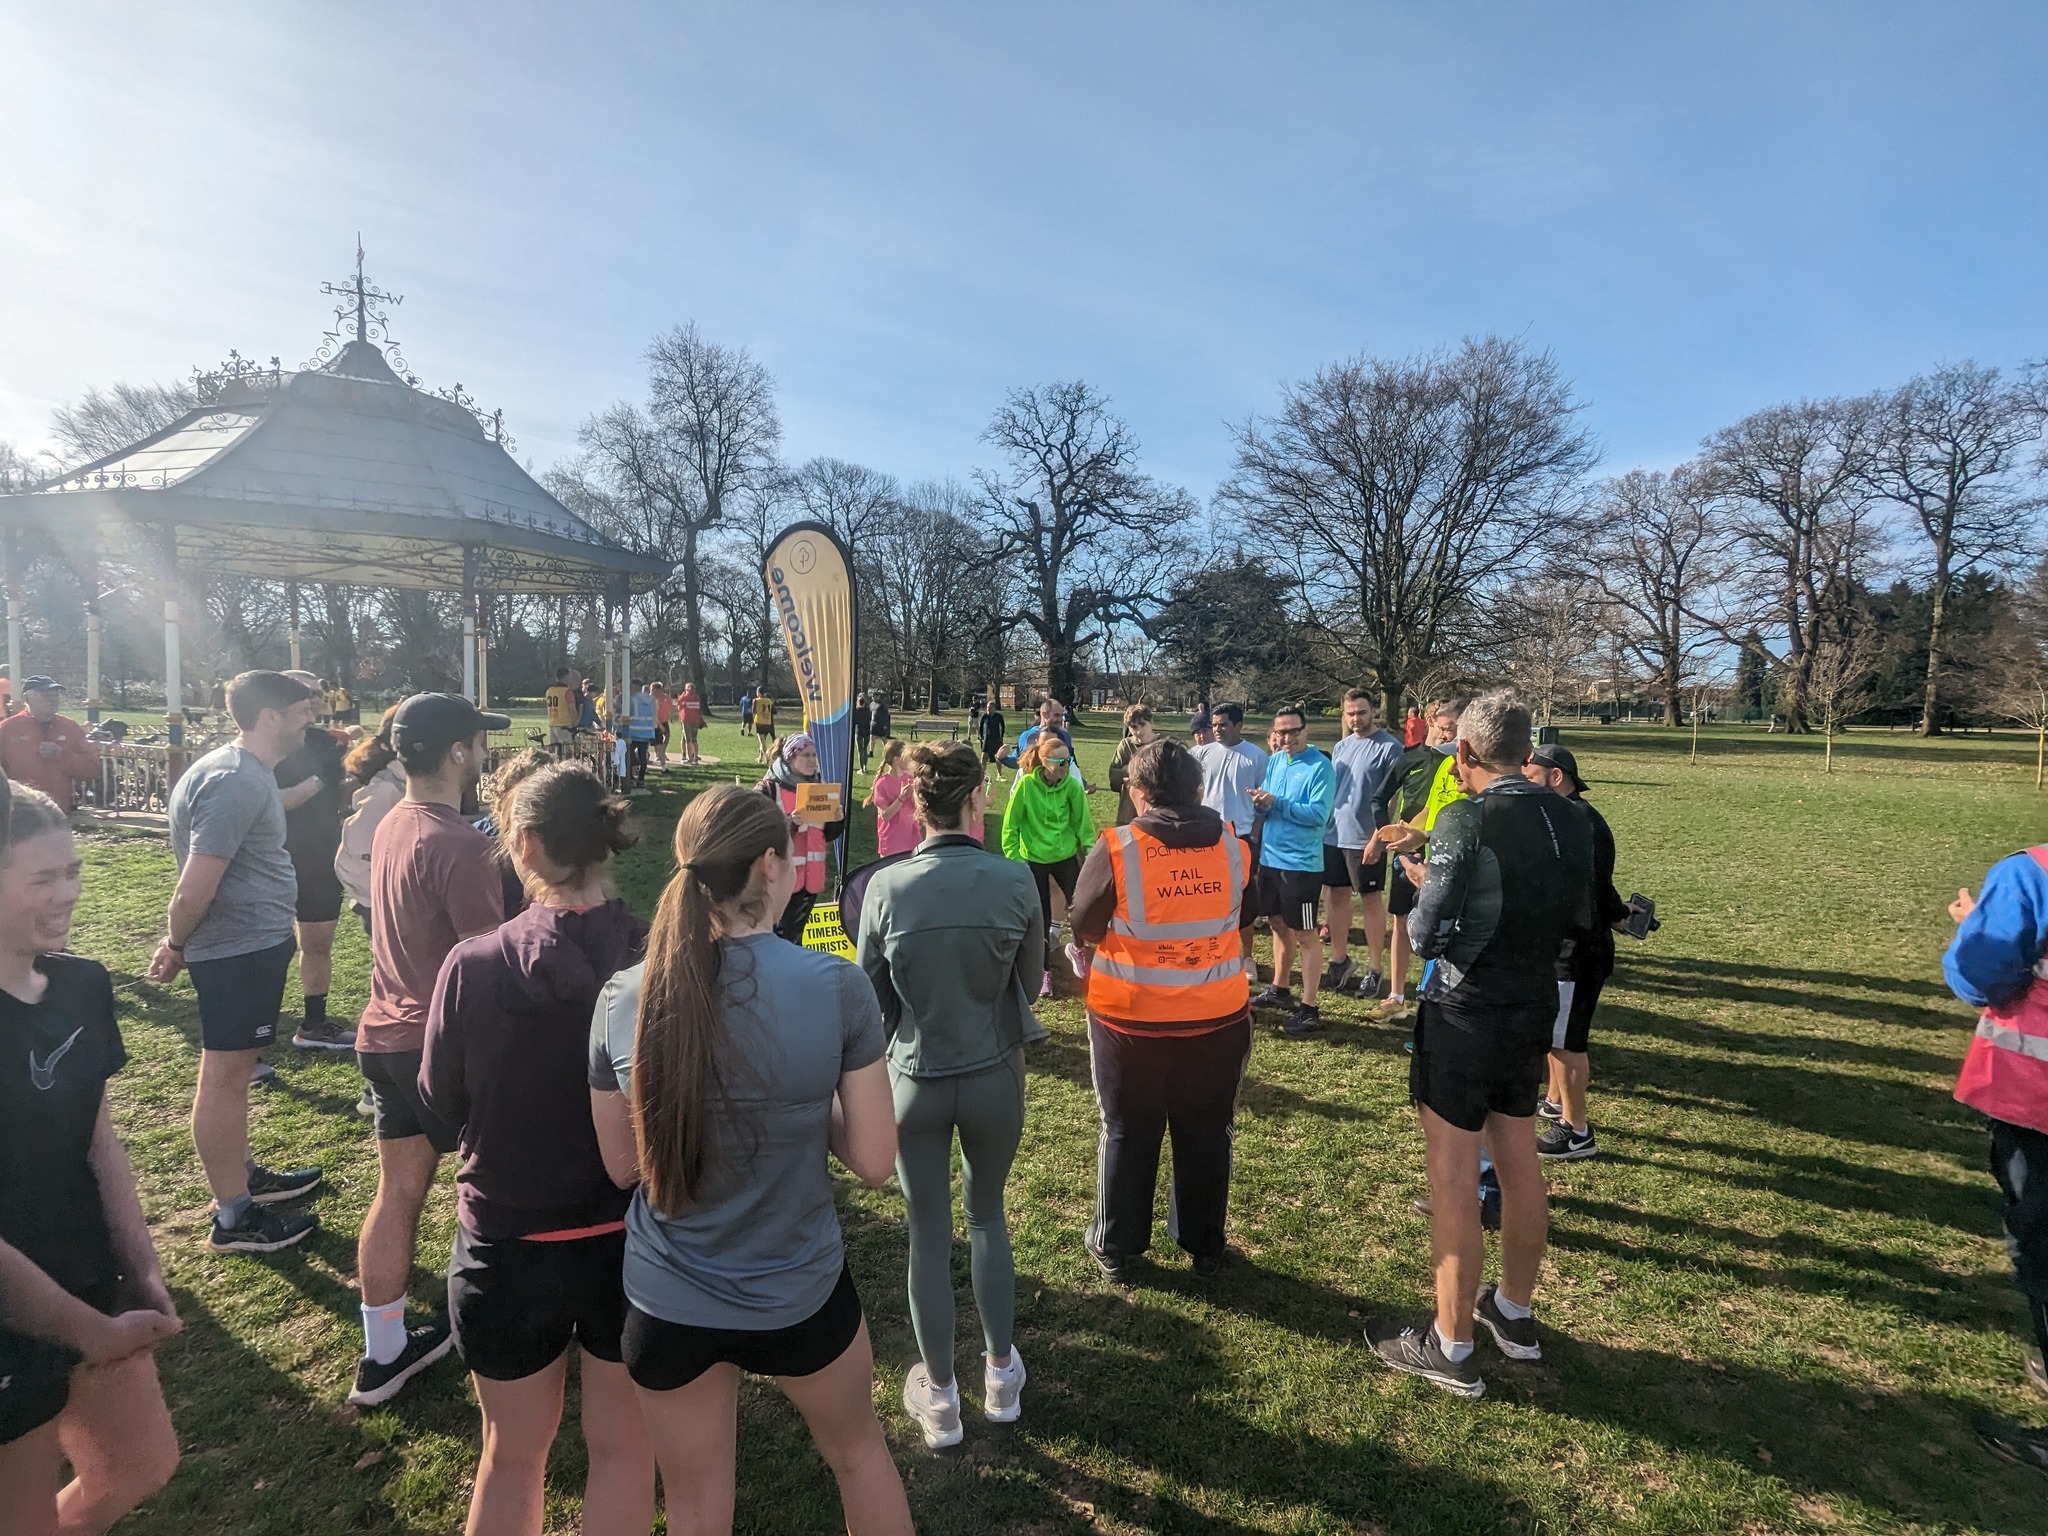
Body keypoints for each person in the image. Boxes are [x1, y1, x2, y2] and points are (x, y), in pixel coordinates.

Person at [586, 784, 912, 1534]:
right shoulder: (836, 986)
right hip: (800, 1293)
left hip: (669, 1302)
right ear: (771, 865)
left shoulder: (622, 997)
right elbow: (872, 1160)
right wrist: (809, 1095)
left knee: (696, 1506)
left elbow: (621, 1165)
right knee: (861, 1458)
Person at [420, 764, 654, 1536]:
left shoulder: (473, 966)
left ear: (522, 844)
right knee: (623, 1451)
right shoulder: (658, 960)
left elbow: (440, 1101)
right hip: (630, 1243)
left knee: (512, 1454)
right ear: (605, 840)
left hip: (509, 1249)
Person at [1368, 690, 1592, 1400]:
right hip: (1532, 1002)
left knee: (1454, 1177)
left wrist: (1425, 879)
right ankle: (1514, 1314)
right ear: (1526, 751)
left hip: (1465, 1009)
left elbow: (1426, 935)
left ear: (1462, 753)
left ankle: (1451, 1342)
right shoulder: (1572, 816)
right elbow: (1579, 916)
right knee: (1520, 1159)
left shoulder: (1467, 815)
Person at [0, 783, 184, 1536]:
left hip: (86, 1273)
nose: (66, 894)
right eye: (41, 879)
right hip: (15, 1313)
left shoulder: (80, 983)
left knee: (141, 1462)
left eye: (71, 872)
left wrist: (139, 1265)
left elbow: (97, 1134)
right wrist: (87, 1330)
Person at [858, 743, 1041, 1449]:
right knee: (988, 1218)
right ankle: (1000, 1377)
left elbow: (869, 997)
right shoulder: (1016, 879)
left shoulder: (885, 886)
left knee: (927, 1235)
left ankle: (939, 1396)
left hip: (914, 1077)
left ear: (917, 803)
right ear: (976, 800)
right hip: (994, 1073)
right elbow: (1027, 986)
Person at [351, 692, 511, 1407]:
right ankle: (507, 1332)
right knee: (498, 1189)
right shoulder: (461, 843)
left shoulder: (389, 823)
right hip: (442, 1049)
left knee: (399, 1192)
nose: (483, 756)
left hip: (383, 1035)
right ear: (456, 752)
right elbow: (493, 962)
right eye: (478, 743)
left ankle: (383, 1352)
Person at [148, 670, 324, 1256]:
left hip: (251, 944)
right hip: (236, 950)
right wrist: (175, 945)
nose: (311, 719)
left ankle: (242, 1176)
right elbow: (195, 885)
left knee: (234, 1074)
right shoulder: (234, 781)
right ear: (270, 716)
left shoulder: (243, 771)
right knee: (225, 1079)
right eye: (302, 710)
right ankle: (234, 1216)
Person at [1069, 740, 1253, 1285]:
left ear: (1142, 792)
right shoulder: (1232, 846)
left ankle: (1118, 1244)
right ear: (1198, 791)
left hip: (1130, 1020)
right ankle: (1203, 1244)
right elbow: (1246, 911)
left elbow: (1082, 922)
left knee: (1127, 1129)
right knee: (1206, 1130)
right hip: (1217, 1017)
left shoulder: (1119, 847)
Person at [1944, 845, 2048, 1414]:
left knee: (2041, 1236)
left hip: (2036, 1098)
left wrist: (1974, 927)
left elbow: (1982, 976)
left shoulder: (2031, 872)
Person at [1524, 744, 1629, 1162]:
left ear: (1556, 777)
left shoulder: (1580, 821)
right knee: (1555, 1035)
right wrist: (1620, 914)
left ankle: (1577, 1131)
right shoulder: (1563, 818)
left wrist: (1614, 913)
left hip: (1578, 951)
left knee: (1567, 1043)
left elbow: (1593, 887)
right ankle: (1554, 1101)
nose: (1524, 779)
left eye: (1531, 774)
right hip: (1565, 947)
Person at [275, 672, 356, 1052]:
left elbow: (340, 795)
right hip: (271, 856)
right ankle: (253, 1027)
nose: (313, 702)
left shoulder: (326, 743)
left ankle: (313, 1023)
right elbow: (274, 800)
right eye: (305, 695)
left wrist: (367, 774)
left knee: (318, 942)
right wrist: (319, 781)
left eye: (318, 694)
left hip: (320, 854)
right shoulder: (262, 748)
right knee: (268, 947)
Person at [1246, 706, 1335, 1037]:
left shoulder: (1320, 767)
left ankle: (1309, 1008)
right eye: (1281, 732)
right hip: (1271, 859)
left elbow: (1318, 815)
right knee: (1277, 924)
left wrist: (1276, 803)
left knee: (1306, 936)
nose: (1286, 738)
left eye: (1292, 731)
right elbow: (1269, 804)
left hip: (1301, 866)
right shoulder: (1275, 761)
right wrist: (1260, 803)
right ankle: (1281, 989)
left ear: (1305, 730)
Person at [1378, 699, 1467, 1020]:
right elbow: (1430, 810)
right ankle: (1397, 996)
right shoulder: (1445, 765)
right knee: (1402, 921)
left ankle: (1435, 1007)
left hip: (1454, 867)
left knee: (1446, 936)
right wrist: (1408, 836)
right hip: (1425, 858)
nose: (1443, 736)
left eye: (1450, 729)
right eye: (1441, 728)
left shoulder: (1477, 775)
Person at [1322, 689, 1405, 1002]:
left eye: (1361, 712)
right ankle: (1340, 960)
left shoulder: (1389, 748)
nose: (1356, 718)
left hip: (1365, 838)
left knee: (1371, 901)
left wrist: (1378, 838)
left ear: (1373, 712)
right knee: (1335, 897)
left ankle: (1374, 969)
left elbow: (1393, 799)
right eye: (1351, 713)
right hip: (1334, 835)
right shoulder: (1341, 747)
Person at [1000, 736, 1093, 1000]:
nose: (1066, 765)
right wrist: (1015, 860)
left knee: (1080, 908)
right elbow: (1010, 826)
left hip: (1064, 855)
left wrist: (1090, 856)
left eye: (1068, 759)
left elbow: (1083, 826)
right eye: (1060, 761)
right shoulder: (1026, 786)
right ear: (1044, 761)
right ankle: (1043, 973)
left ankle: (1077, 948)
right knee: (1038, 918)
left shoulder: (1072, 787)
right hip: (1033, 858)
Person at [756, 732, 846, 944]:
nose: (812, 760)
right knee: (774, 939)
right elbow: (756, 835)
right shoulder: (769, 789)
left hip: (809, 881)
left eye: (814, 755)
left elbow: (826, 835)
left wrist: (837, 820)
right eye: (805, 755)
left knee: (796, 938)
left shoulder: (821, 787)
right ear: (789, 758)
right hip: (777, 879)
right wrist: (789, 824)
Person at [336, 707, 406, 935]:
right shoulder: (387, 789)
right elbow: (353, 857)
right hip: (388, 911)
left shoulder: (407, 782)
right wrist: (380, 901)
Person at [0, 678, 101, 814]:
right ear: (27, 698)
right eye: (46, 695)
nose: (53, 699)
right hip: (19, 814)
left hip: (60, 813)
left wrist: (62, 756)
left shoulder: (69, 727)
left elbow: (92, 769)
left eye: (56, 695)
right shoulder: (8, 728)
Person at [866, 739, 919, 858]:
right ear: (896, 759)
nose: (910, 760)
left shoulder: (910, 778)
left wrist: (915, 797)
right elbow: (885, 815)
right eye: (907, 757)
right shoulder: (882, 784)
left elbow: (921, 808)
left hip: (911, 839)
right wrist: (901, 798)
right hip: (891, 842)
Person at [1106, 705, 1157, 826]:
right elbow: (1114, 779)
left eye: (1142, 724)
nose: (1139, 731)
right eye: (1133, 727)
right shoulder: (1125, 745)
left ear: (1151, 722)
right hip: (1128, 812)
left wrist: (1131, 771)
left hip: (1156, 811)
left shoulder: (1164, 744)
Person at [1016, 696, 1073, 761]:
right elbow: (1019, 760)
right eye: (1056, 715)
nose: (1060, 719)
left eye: (1062, 716)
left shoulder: (1065, 735)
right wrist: (1004, 758)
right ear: (1044, 714)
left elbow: (1071, 760)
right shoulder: (1027, 736)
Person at [624, 681, 656, 788]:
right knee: (643, 757)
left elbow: (627, 713)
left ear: (634, 688)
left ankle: (631, 777)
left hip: (633, 731)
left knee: (629, 755)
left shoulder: (631, 699)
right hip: (646, 732)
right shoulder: (651, 700)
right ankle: (641, 780)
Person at [544, 668, 581, 752]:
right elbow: (572, 709)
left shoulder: (549, 691)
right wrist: (575, 724)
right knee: (567, 751)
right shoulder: (567, 691)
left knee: (555, 751)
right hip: (565, 725)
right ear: (567, 677)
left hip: (553, 723)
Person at [977, 700, 1008, 782]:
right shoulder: (984, 716)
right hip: (987, 738)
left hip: (996, 738)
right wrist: (981, 736)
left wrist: (1001, 737)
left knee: (998, 756)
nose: (988, 709)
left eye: (990, 708)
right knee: (984, 756)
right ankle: (982, 775)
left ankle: (999, 775)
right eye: (987, 708)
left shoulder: (999, 716)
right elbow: (980, 726)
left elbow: (1002, 726)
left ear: (994, 708)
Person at [679, 681, 704, 766]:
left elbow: (679, 704)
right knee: (694, 739)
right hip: (695, 720)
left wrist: (683, 693)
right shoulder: (696, 697)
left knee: (688, 739)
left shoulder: (684, 696)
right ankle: (695, 757)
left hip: (687, 720)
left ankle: (690, 758)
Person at [651, 682, 673, 770]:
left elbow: (669, 708)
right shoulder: (651, 700)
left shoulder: (664, 698)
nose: (660, 693)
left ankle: (663, 763)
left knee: (661, 741)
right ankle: (660, 757)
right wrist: (660, 725)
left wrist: (669, 717)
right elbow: (654, 715)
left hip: (661, 722)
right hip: (653, 724)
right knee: (648, 744)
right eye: (657, 691)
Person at [751, 692, 777, 762]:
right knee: (763, 742)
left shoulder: (757, 701)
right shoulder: (769, 702)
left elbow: (754, 711)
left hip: (762, 723)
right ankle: (760, 757)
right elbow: (775, 711)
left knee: (762, 742)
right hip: (769, 723)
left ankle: (767, 757)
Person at [854, 692, 874, 774]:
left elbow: (854, 722)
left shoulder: (856, 711)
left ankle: (861, 768)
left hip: (858, 732)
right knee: (865, 749)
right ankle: (865, 766)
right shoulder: (868, 711)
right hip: (867, 731)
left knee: (860, 751)